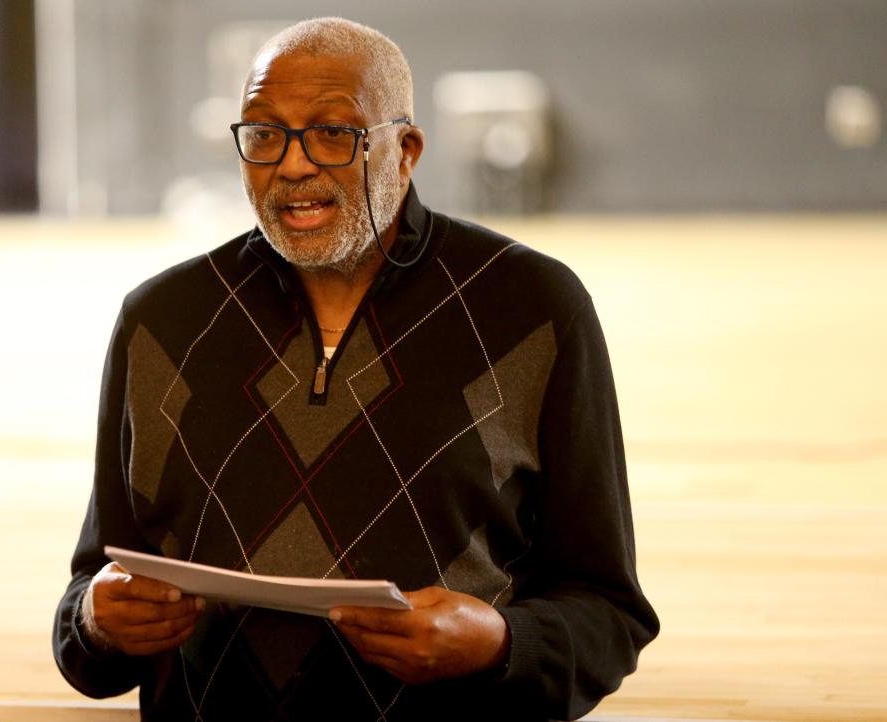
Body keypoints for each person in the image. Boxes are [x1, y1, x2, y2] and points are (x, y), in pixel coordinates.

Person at [53, 17, 658, 722]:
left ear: (405, 150)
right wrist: (98, 623)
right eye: (264, 133)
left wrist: (499, 643)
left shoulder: (533, 309)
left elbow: (608, 615)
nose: (292, 164)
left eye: (333, 133)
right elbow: (90, 606)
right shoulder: (160, 321)